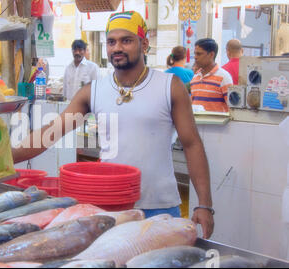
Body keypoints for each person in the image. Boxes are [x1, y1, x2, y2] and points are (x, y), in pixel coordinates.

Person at [12, 11, 214, 239]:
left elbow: (192, 144)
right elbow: (50, 133)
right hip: (110, 208)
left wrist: (204, 204)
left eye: (126, 40)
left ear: (144, 43)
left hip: (159, 206)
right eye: (111, 41)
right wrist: (6, 157)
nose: (117, 48)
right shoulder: (94, 91)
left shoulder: (169, 86)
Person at [190, 38, 233, 112]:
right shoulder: (195, 78)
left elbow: (232, 109)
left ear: (211, 54)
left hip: (217, 123)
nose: (195, 57)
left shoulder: (224, 77)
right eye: (195, 53)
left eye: (199, 54)